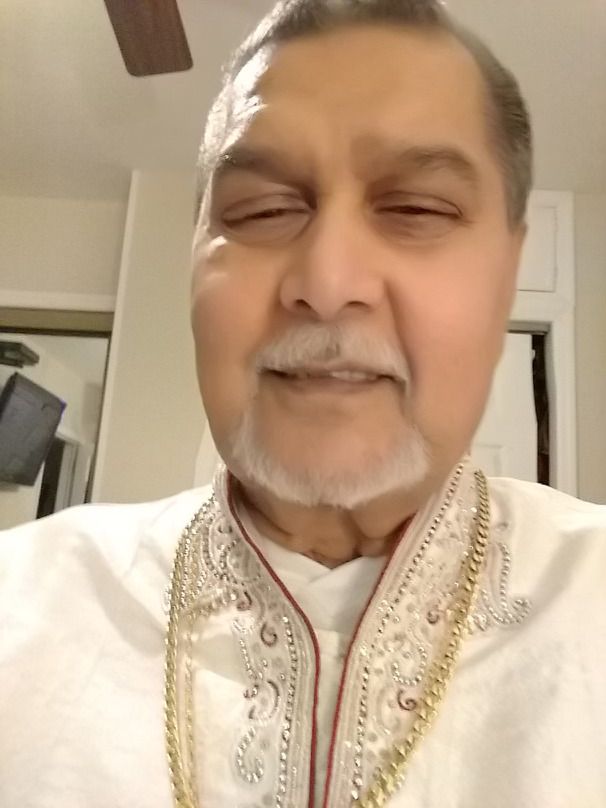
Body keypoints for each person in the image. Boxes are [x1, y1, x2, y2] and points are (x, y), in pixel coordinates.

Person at [1, 1, 605, 806]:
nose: (327, 283)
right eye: (262, 211)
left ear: (507, 272)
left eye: (417, 209)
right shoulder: (18, 608)